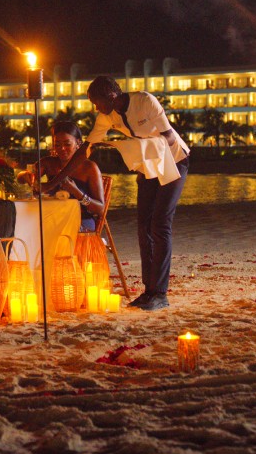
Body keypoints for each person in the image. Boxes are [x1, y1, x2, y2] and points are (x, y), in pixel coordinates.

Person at [43, 76, 189, 311]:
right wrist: (54, 183)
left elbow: (170, 136)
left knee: (160, 224)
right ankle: (149, 290)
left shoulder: (145, 101)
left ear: (110, 96)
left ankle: (160, 293)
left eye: (96, 102)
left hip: (174, 161)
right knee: (144, 225)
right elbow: (84, 152)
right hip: (148, 165)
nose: (95, 108)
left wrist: (140, 146)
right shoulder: (106, 117)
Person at [37, 121, 106, 232]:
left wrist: (76, 191)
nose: (62, 148)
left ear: (78, 143)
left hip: (81, 220)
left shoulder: (89, 168)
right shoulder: (48, 163)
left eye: (67, 144)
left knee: (54, 232)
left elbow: (100, 209)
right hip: (52, 217)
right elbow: (23, 177)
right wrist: (27, 177)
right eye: (58, 144)